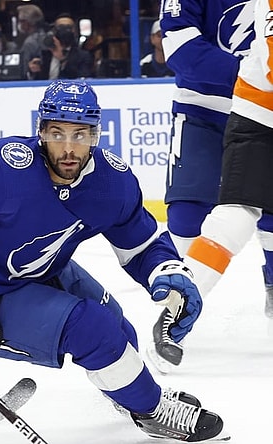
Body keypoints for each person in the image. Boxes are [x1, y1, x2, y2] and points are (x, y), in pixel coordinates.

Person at [0, 79, 226, 442]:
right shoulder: (0, 170)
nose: (69, 148)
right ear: (40, 131)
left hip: (40, 269)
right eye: (57, 133)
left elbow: (141, 244)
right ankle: (151, 411)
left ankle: (132, 397)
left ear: (96, 134)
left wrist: (166, 269)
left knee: (118, 329)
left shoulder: (111, 182)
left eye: (80, 134)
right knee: (92, 328)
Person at [149, 0, 273, 372]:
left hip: (257, 98)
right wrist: (247, 70)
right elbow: (182, 51)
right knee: (191, 217)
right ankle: (180, 298)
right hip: (218, 107)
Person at [27, 13, 93, 80]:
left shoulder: (83, 56)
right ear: (54, 30)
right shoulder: (44, 54)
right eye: (61, 27)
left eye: (68, 27)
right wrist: (32, 71)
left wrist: (62, 60)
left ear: (74, 31)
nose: (64, 31)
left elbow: (83, 79)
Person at [16, 3, 47, 80]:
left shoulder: (29, 43)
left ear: (26, 23)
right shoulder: (47, 36)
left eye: (21, 21)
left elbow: (22, 71)